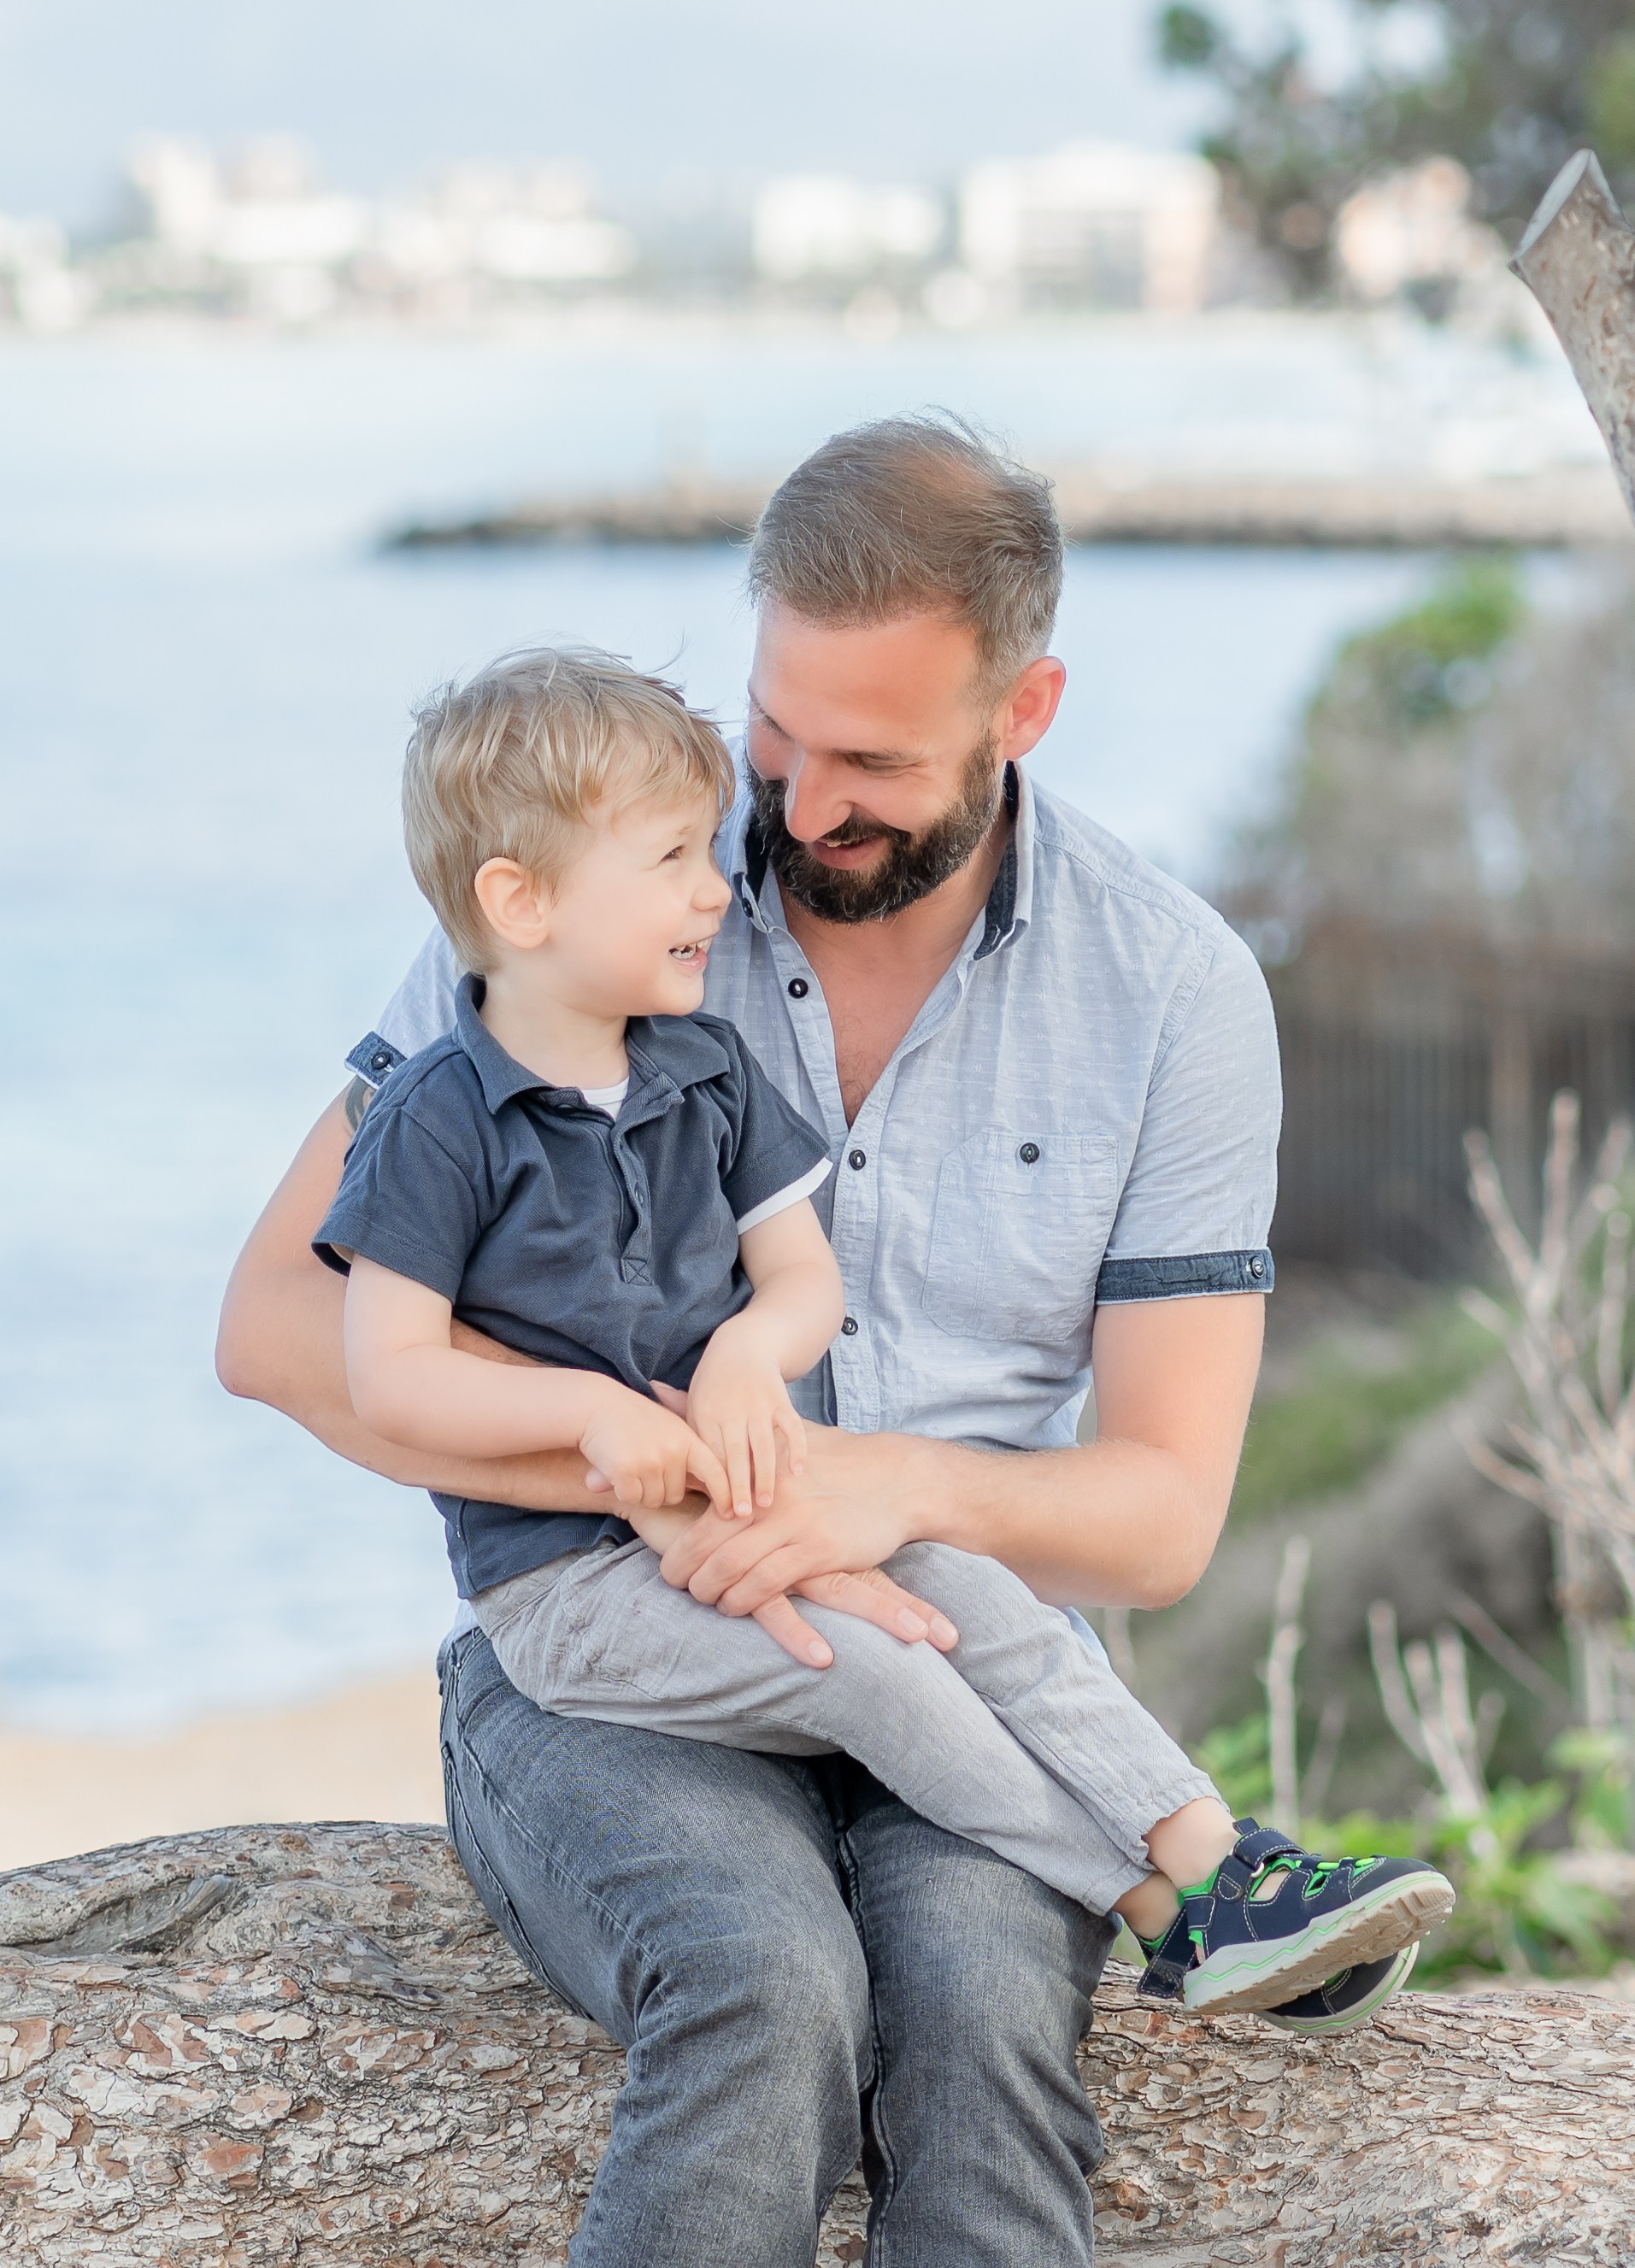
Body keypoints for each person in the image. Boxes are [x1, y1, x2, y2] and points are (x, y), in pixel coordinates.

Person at [217, 414, 1427, 2268]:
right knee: (766, 1986)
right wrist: (657, 1490)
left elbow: (1163, 1517)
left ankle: (1205, 1885)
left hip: (964, 1653)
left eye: (870, 759)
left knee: (977, 2019)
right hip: (601, 1658)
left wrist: (882, 1492)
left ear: (1023, 711)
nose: (789, 808)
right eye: (779, 734)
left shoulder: (1171, 989)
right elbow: (281, 1325)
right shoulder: (587, 884)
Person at [313, 642, 1453, 2019]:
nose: (714, 886)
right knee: (873, 1672)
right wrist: (596, 1421)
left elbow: (803, 1280)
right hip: (575, 1586)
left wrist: (745, 1353)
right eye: (676, 859)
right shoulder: (440, 1114)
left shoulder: (698, 1069)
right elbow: (383, 1372)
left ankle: (1223, 1865)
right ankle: (1149, 1908)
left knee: (975, 1592)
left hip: (766, 1496)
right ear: (521, 900)